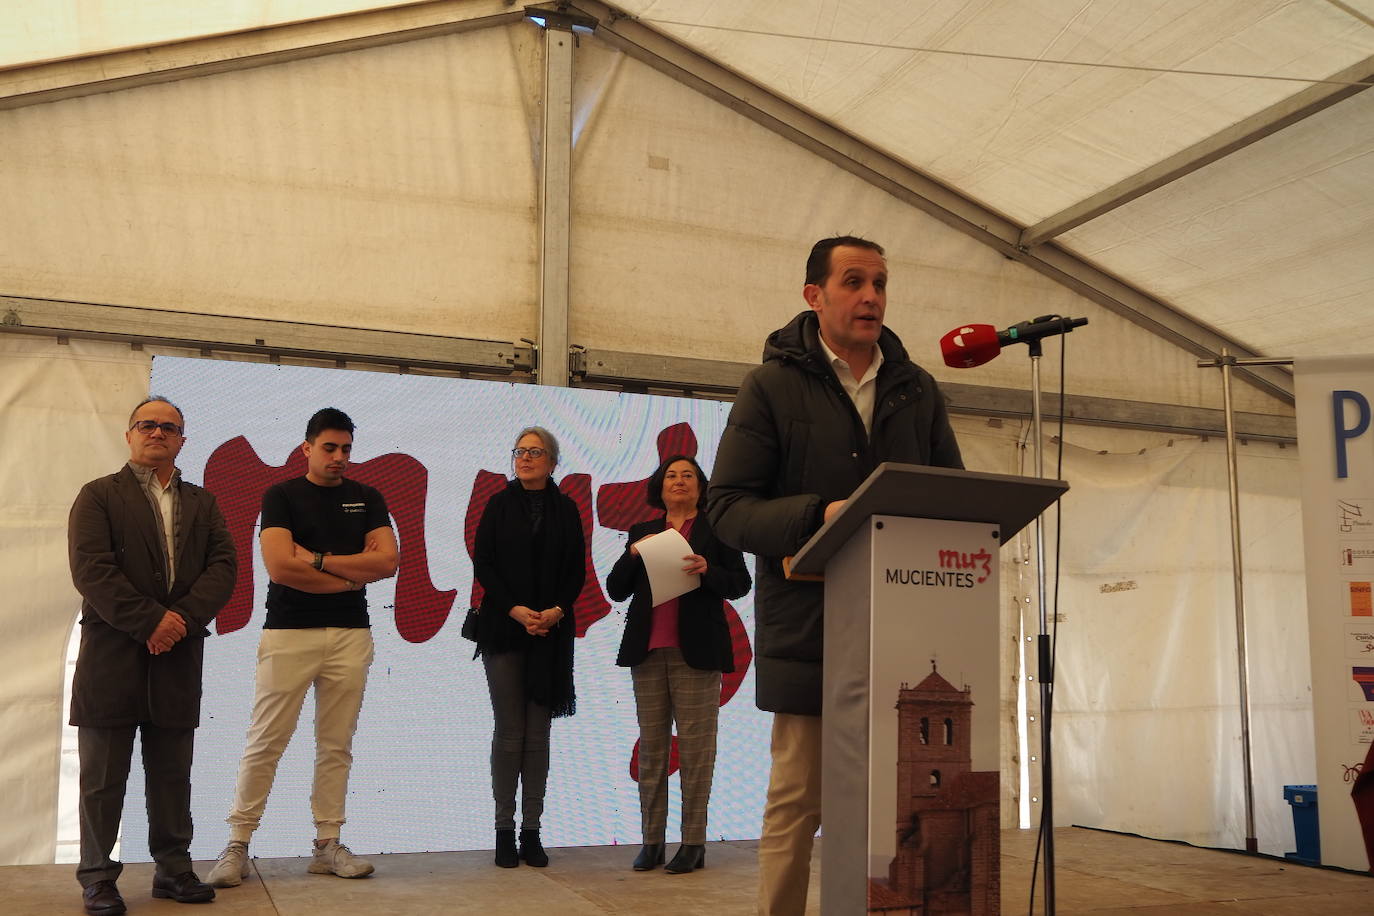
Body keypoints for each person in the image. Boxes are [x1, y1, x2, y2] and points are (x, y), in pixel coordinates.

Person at [706, 236, 964, 914]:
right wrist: (823, 515)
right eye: (853, 281)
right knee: (798, 802)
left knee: (902, 808)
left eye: (880, 282)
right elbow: (727, 510)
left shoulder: (917, 390)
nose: (872, 295)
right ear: (813, 296)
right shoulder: (771, 386)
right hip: (813, 632)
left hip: (906, 635)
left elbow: (958, 502)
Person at [206, 408, 397, 887]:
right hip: (289, 632)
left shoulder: (367, 497)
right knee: (266, 740)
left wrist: (316, 559)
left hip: (351, 635)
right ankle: (237, 844)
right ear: (306, 447)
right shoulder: (282, 495)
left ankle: (327, 844)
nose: (338, 457)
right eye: (329, 448)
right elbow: (279, 567)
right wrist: (348, 577)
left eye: (346, 449)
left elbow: (387, 561)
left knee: (337, 744)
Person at [68, 396, 237, 915]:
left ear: (182, 440)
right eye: (148, 424)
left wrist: (178, 621)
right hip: (113, 654)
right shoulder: (97, 496)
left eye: (169, 427)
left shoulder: (203, 502)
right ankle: (98, 878)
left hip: (177, 655)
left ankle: (173, 869)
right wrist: (150, 622)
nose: (157, 432)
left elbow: (223, 567)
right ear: (129, 435)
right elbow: (91, 570)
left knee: (171, 773)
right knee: (102, 779)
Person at [607, 454, 751, 875]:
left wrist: (708, 571)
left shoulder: (716, 529)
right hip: (648, 652)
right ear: (660, 486)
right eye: (672, 476)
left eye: (688, 475)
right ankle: (651, 841)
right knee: (652, 751)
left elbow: (740, 583)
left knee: (695, 750)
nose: (680, 481)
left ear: (701, 486)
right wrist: (632, 555)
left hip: (697, 652)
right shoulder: (644, 532)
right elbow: (616, 590)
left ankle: (692, 843)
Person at [472, 426, 585, 868]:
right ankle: (503, 830)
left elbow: (576, 569)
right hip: (504, 627)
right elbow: (485, 563)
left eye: (535, 452)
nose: (525, 458)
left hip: (551, 631)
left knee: (538, 735)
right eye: (519, 451)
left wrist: (556, 610)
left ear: (553, 462)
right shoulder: (498, 505)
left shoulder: (568, 509)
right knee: (510, 731)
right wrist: (517, 610)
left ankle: (532, 830)